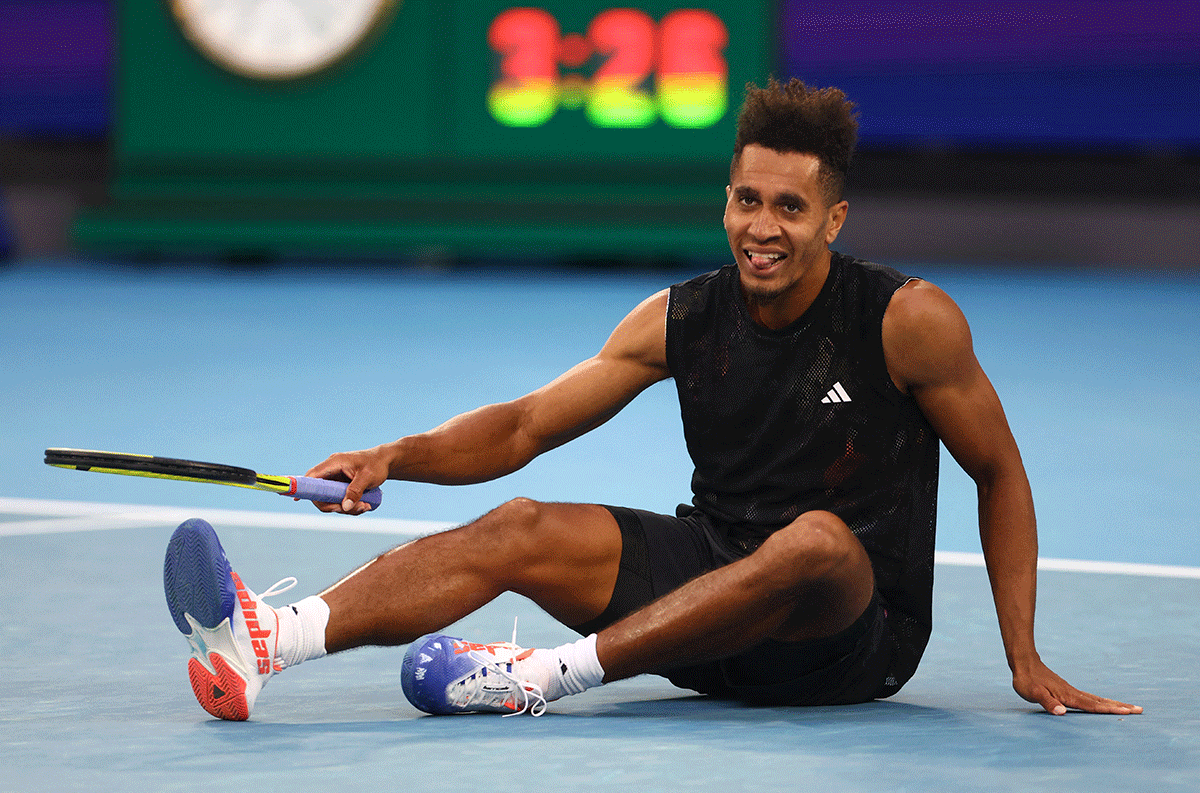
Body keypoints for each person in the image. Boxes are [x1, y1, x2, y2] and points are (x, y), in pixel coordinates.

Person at [163, 78, 1142, 721]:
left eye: (790, 208)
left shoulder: (906, 320)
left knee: (813, 541)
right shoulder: (681, 317)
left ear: (833, 218)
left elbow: (998, 470)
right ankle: (262, 644)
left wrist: (1025, 654)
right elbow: (522, 426)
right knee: (518, 524)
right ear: (726, 198)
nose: (762, 228)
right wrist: (391, 458)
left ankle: (536, 677)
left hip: (845, 634)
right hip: (703, 597)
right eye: (746, 201)